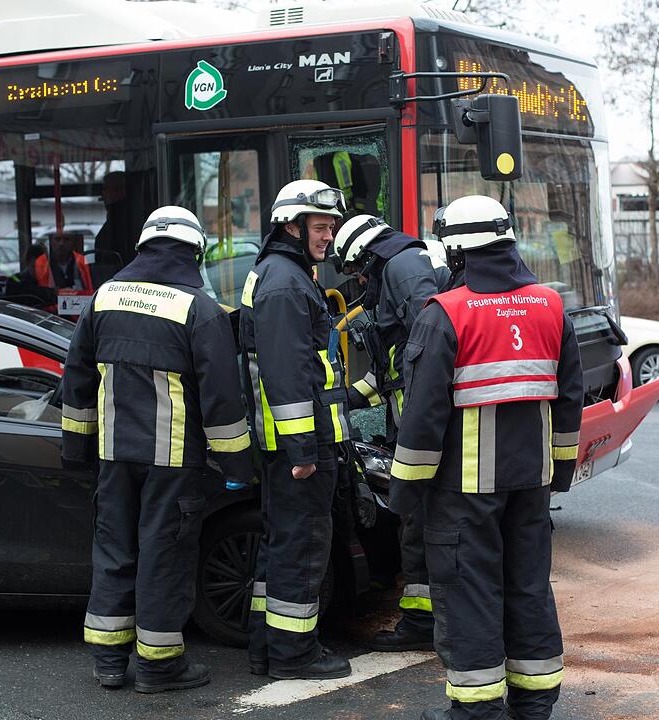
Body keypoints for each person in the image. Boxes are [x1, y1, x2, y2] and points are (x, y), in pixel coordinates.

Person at [388, 195, 584, 720]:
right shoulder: (551, 305)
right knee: (529, 589)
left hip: (463, 492)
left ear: (455, 249)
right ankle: (534, 704)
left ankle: (476, 711)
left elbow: (423, 416)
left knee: (470, 595)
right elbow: (569, 399)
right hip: (533, 485)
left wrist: (404, 492)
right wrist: (559, 471)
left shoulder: (445, 313)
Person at [60, 206, 254, 694]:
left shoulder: (103, 298)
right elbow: (222, 400)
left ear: (144, 247)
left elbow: (77, 381)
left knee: (114, 550)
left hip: (112, 455)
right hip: (171, 460)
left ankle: (108, 662)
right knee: (163, 556)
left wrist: (75, 451)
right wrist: (237, 465)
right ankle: (159, 667)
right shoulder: (199, 309)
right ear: (194, 253)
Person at [240, 179, 352, 681]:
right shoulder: (286, 283)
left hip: (288, 446)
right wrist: (303, 450)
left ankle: (269, 648)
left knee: (281, 545)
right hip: (300, 450)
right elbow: (286, 375)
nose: (329, 236)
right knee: (302, 548)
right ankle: (294, 655)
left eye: (330, 227)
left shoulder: (284, 273)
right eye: (322, 227)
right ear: (292, 225)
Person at [333, 214, 451, 652]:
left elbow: (427, 344)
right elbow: (392, 371)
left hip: (420, 434)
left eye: (357, 269)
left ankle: (423, 624)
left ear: (367, 253)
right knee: (415, 522)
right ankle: (428, 617)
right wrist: (348, 397)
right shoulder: (406, 267)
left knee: (417, 523)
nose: (360, 279)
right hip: (412, 424)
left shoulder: (402, 268)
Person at [4, 243, 56, 308]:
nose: (38, 271)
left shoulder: (53, 282)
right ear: (27, 263)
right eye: (34, 267)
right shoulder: (15, 282)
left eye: (42, 267)